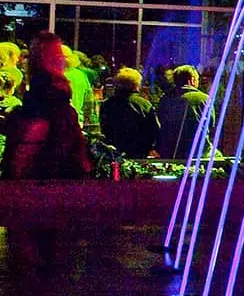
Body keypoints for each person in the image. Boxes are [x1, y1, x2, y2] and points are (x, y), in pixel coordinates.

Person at [3, 34, 92, 268]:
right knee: (52, 266)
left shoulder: (31, 105)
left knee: (29, 267)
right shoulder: (61, 109)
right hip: (54, 194)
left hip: (29, 192)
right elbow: (68, 155)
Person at [98, 65, 159, 160]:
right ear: (136, 84)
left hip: (115, 150)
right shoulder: (143, 104)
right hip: (139, 150)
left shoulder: (107, 104)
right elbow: (154, 128)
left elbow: (104, 128)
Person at [155, 65, 207, 160]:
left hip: (168, 150)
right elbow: (210, 124)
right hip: (196, 150)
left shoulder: (165, 99)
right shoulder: (203, 98)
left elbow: (160, 121)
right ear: (192, 80)